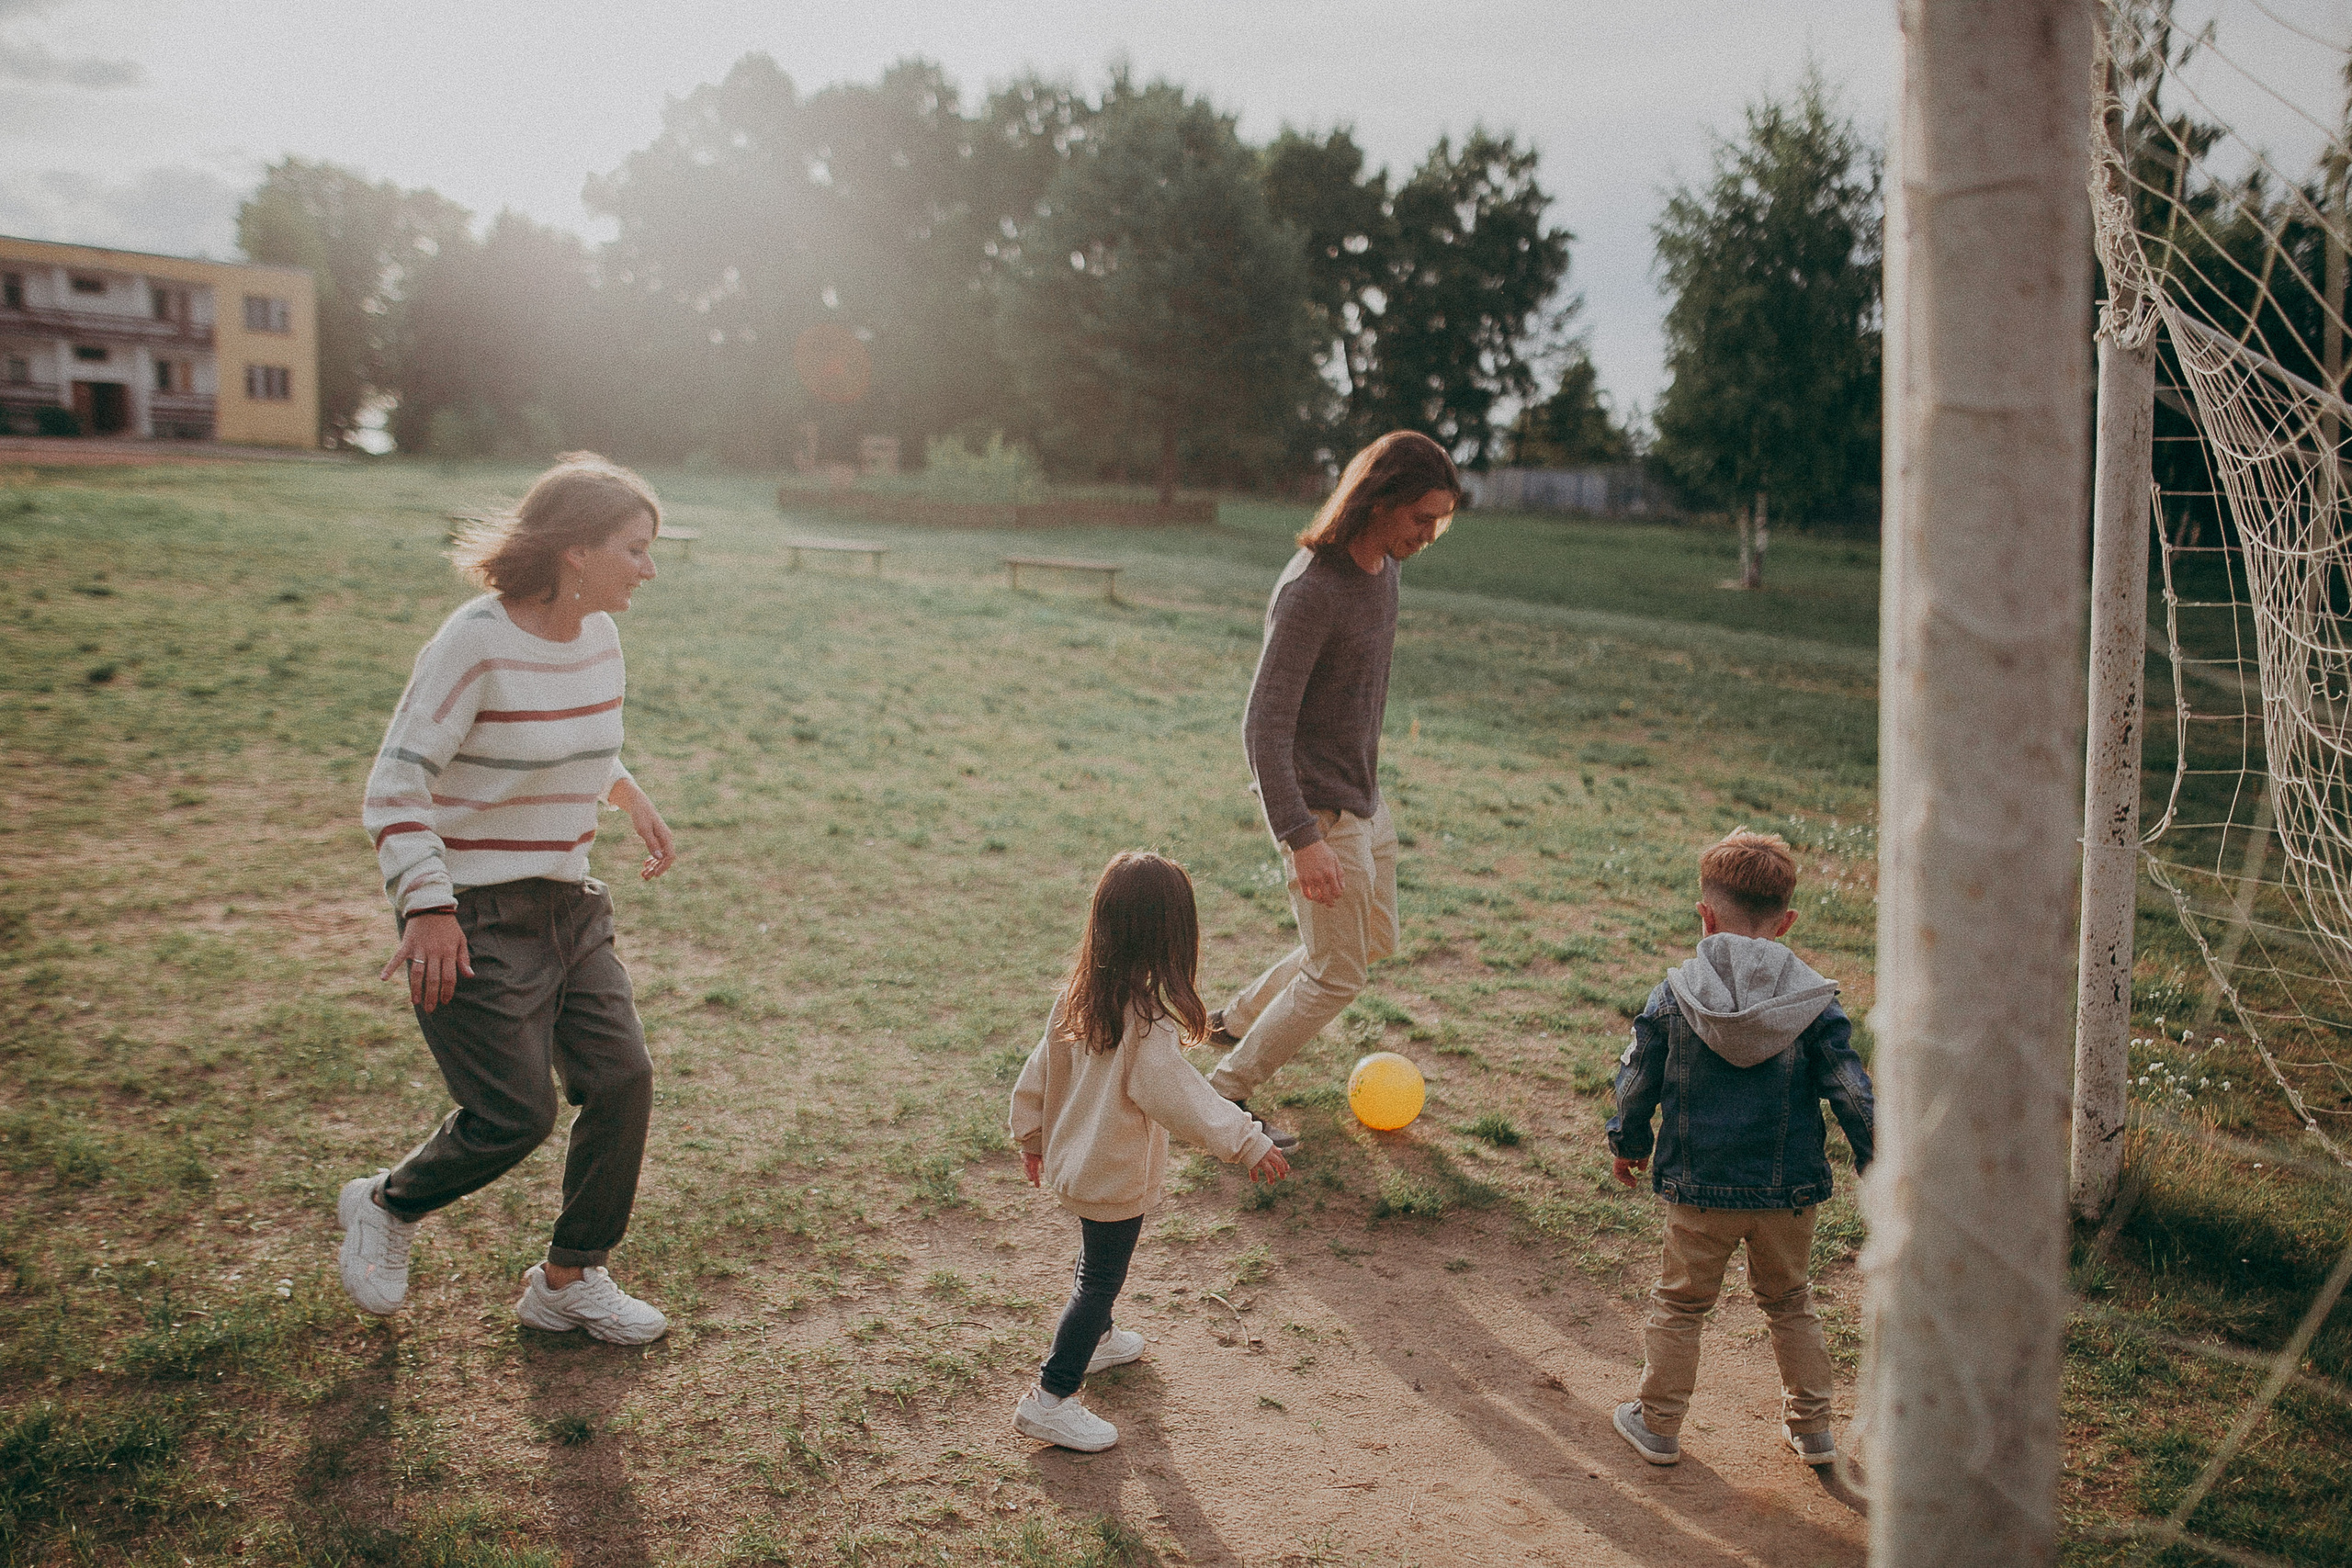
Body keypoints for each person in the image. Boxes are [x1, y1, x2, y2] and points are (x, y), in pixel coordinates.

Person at [339, 453, 679, 1345]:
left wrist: (625, 790)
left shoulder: (598, 637)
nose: (649, 568)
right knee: (513, 1115)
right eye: (635, 548)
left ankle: (568, 1279)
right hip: (470, 915)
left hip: (569, 906)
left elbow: (566, 737)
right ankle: (386, 1203)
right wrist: (428, 908)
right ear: (576, 551)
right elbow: (396, 783)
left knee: (623, 1078)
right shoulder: (475, 640)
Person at [1206, 432, 1463, 1148]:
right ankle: (1222, 1092)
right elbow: (1263, 726)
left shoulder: (1385, 569)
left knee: (1372, 940)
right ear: (1379, 499)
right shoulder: (1312, 591)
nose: (1429, 534)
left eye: (1440, 521)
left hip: (1365, 798)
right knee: (1337, 974)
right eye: (1421, 517)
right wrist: (1302, 838)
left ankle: (1234, 1019)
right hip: (1319, 807)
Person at [1604, 829, 1875, 1470]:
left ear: (1705, 915)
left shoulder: (1675, 995)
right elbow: (1851, 1090)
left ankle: (1659, 1424)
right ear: (1786, 921)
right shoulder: (1814, 1003)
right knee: (1790, 1302)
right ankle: (1813, 1429)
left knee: (1680, 1303)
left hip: (1698, 1189)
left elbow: (1635, 1078)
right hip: (1789, 1192)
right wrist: (1876, 1160)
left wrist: (1630, 1141)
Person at [1009, 851, 1292, 1452]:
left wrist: (1030, 1135)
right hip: (1111, 1176)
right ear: (1168, 939)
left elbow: (1037, 1071)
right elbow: (1187, 1099)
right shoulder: (1146, 1026)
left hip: (1077, 1166)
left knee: (1095, 1266)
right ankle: (1051, 1397)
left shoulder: (1076, 998)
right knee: (1098, 1281)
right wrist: (1248, 1140)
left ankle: (1100, 1339)